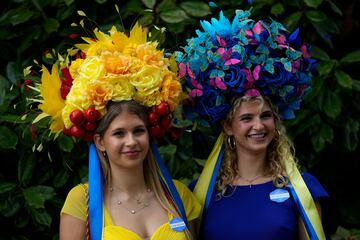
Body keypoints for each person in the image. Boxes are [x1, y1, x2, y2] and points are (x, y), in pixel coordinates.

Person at [30, 22, 200, 240]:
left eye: (138, 131)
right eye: (119, 133)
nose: (131, 141)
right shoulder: (82, 201)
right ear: (100, 141)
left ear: (149, 133)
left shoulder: (178, 195)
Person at [175, 9, 328, 240]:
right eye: (247, 118)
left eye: (266, 116)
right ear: (228, 126)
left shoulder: (301, 189)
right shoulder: (203, 193)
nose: (259, 126)